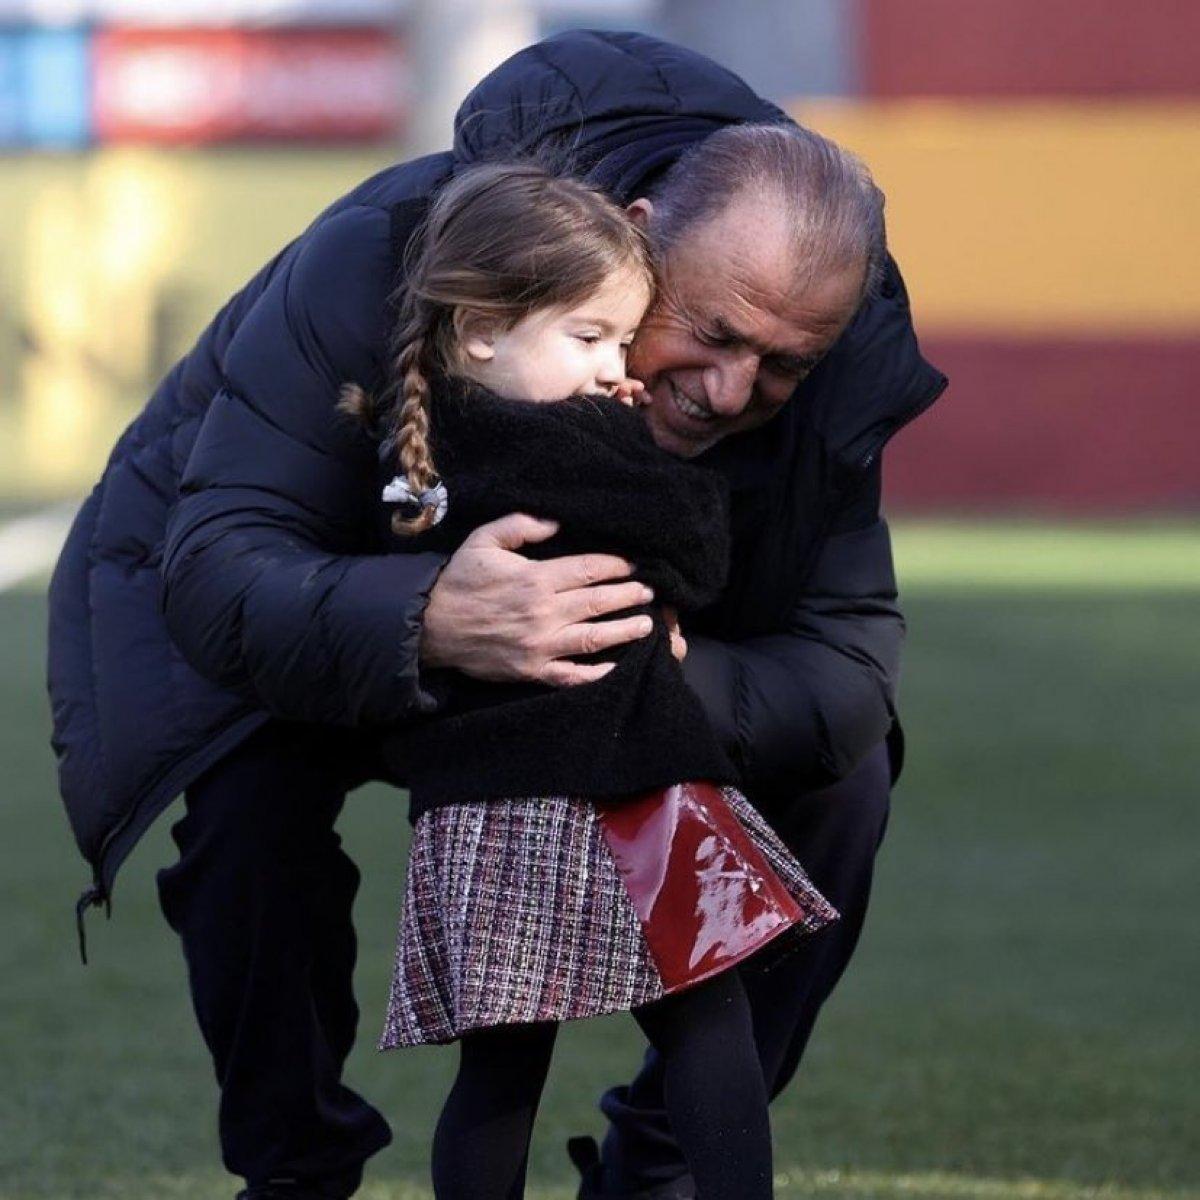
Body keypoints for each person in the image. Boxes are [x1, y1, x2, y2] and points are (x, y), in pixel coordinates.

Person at [46, 29, 946, 1200]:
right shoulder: (380, 258)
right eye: (714, 334)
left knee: (847, 777)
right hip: (347, 636)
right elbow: (221, 562)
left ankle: (662, 1179)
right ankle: (296, 1173)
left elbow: (845, 655)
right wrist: (424, 614)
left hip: (619, 690)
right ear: (635, 240)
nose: (733, 391)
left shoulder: (837, 350)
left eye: (783, 365)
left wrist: (668, 672)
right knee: (244, 798)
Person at [345, 158, 837, 1200]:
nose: (618, 372)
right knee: (707, 1021)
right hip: (628, 785)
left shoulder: (417, 448)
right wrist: (628, 437)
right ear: (484, 328)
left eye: (622, 341)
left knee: (502, 1070)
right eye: (589, 338)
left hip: (485, 805)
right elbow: (696, 552)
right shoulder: (571, 445)